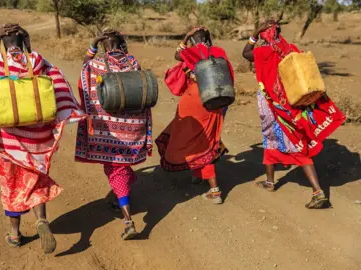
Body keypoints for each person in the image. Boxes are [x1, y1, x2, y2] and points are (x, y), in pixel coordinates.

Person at [0, 24, 86, 251]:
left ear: (2, 45)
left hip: (9, 140)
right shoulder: (36, 61)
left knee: (12, 184)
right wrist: (28, 44)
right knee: (36, 177)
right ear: (24, 43)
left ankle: (15, 234)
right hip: (37, 139)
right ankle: (42, 220)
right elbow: (57, 83)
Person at [242, 20, 345, 209]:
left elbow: (245, 53)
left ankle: (317, 192)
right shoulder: (291, 48)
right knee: (282, 140)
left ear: (265, 35)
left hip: (273, 105)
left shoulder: (264, 51)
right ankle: (270, 182)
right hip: (293, 105)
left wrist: (255, 33)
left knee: (287, 143)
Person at [75, 29, 152, 240]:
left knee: (116, 169)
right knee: (123, 166)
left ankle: (128, 220)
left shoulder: (98, 64)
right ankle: (120, 194)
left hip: (110, 133)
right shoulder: (132, 63)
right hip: (133, 129)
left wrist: (92, 46)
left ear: (104, 46)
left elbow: (84, 73)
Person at [156, 27, 231, 204]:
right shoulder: (219, 52)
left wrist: (185, 38)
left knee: (190, 139)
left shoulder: (191, 52)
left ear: (193, 40)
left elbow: (177, 55)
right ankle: (198, 176)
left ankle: (214, 189)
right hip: (215, 101)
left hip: (193, 100)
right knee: (208, 140)